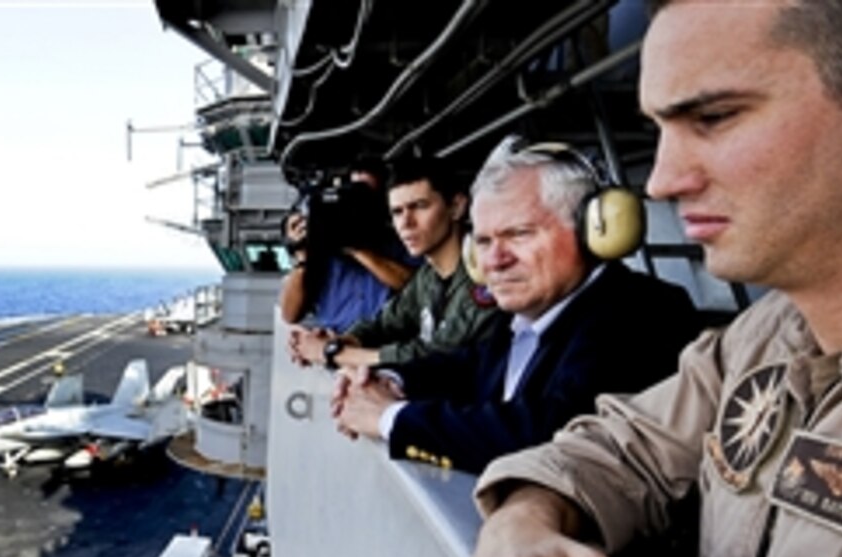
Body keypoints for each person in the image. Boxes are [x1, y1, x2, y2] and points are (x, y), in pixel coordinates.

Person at [452, 1, 842, 557]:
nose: (661, 181)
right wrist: (524, 523)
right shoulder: (766, 336)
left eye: (716, 117)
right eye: (658, 131)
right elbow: (622, 445)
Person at [331, 137, 700, 474]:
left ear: (593, 231)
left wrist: (390, 419)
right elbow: (467, 366)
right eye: (485, 241)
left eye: (519, 234)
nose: (494, 261)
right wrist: (390, 380)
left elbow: (550, 432)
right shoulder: (530, 316)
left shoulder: (642, 312)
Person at [291, 156, 500, 368]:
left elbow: (436, 355)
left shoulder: (484, 273)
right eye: (397, 212)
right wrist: (340, 341)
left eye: (419, 206)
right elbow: (383, 324)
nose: (406, 223)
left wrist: (333, 354)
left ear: (456, 207)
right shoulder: (428, 277)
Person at [278, 156, 416, 332]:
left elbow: (415, 285)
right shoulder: (321, 246)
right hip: (340, 346)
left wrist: (356, 248)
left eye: (363, 195)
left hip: (389, 341)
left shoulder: (399, 236)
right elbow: (290, 314)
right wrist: (302, 253)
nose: (354, 202)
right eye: (349, 192)